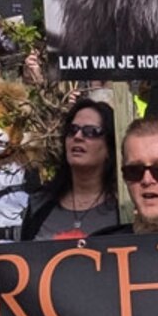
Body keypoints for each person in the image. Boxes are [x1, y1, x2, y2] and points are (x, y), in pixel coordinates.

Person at [26, 97, 124, 240]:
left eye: (91, 131)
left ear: (109, 148)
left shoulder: (124, 210)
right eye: (72, 130)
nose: (78, 137)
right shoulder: (39, 204)